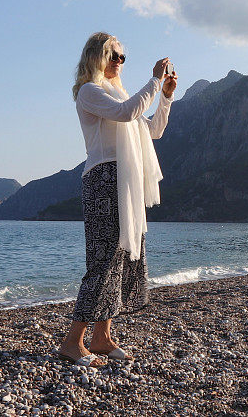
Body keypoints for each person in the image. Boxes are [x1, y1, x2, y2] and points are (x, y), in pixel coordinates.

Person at [57, 32, 177, 367]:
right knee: (103, 259)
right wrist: (154, 80)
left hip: (124, 179)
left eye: (123, 56)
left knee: (122, 255)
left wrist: (164, 97)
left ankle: (101, 337)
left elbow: (151, 131)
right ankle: (72, 341)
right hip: (104, 179)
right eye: (114, 55)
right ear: (97, 56)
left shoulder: (118, 94)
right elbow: (126, 113)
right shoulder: (90, 91)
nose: (119, 62)